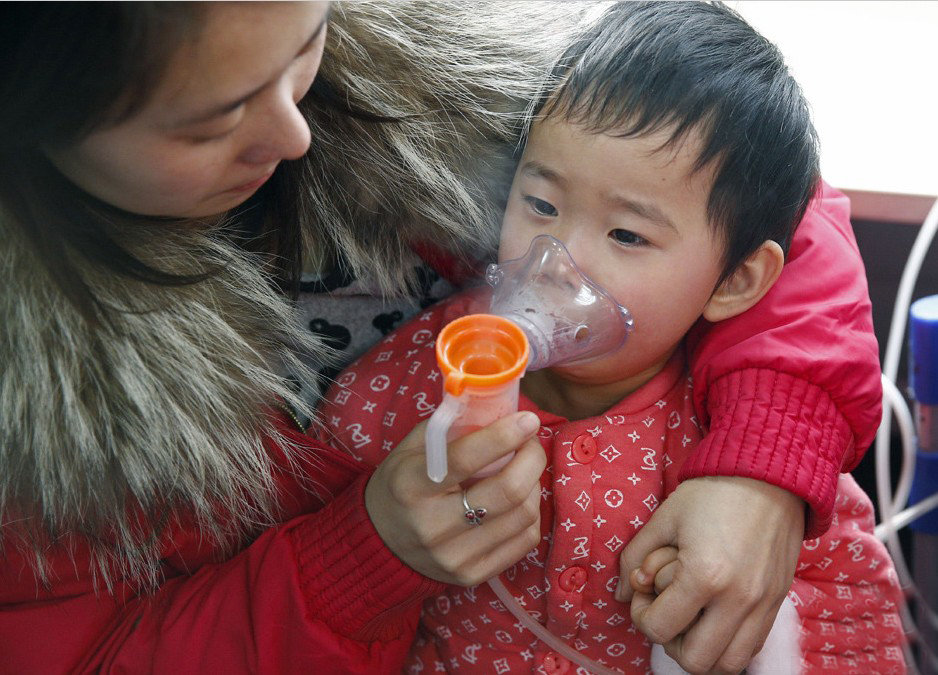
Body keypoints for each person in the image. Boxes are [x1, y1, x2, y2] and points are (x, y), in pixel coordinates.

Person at [0, 1, 883, 673]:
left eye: (308, 45)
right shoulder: (391, 391)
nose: (294, 133)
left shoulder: (469, 59)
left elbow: (744, 167)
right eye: (208, 119)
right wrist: (362, 558)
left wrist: (765, 458)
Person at [317, 2, 904, 673]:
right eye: (540, 204)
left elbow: (851, 612)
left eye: (626, 234)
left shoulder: (736, 448)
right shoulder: (392, 397)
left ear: (736, 281)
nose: (557, 257)